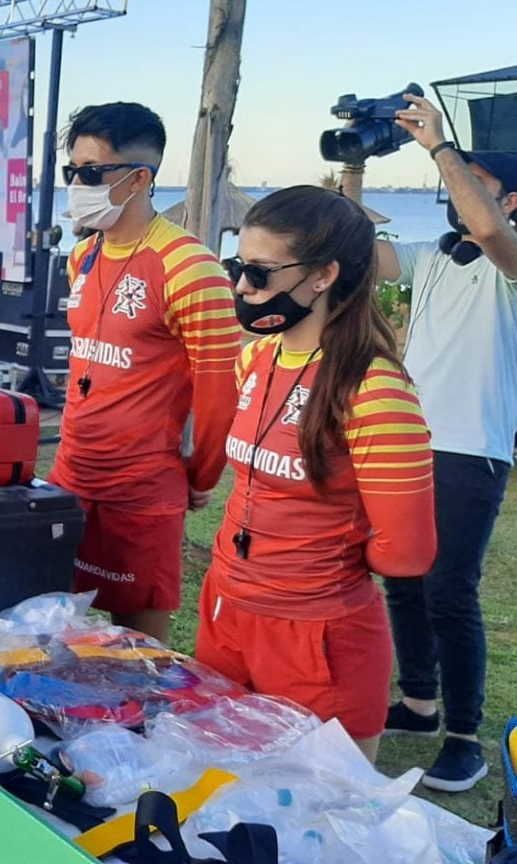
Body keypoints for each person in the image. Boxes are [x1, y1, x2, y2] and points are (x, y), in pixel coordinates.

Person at [197, 185, 437, 762]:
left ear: (323, 276)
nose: (241, 288)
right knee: (217, 793)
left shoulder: (374, 391)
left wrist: (319, 557)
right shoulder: (258, 355)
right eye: (237, 267)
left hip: (317, 637)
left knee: (321, 819)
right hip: (227, 609)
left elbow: (406, 555)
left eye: (258, 273)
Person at [343, 93, 517, 791]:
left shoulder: (509, 263)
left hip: (473, 446)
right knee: (402, 577)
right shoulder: (438, 256)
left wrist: (441, 149)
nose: (460, 192)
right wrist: (353, 171)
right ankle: (418, 701)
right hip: (408, 438)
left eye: (480, 181)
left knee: (450, 589)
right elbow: (366, 257)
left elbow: (488, 227)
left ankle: (465, 737)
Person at [48, 102, 242, 645]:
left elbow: (219, 393)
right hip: (71, 471)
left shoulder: (191, 267)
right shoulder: (82, 256)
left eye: (89, 173)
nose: (76, 186)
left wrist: (200, 477)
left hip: (141, 488)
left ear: (139, 178)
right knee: (57, 625)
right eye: (72, 172)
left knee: (137, 645)